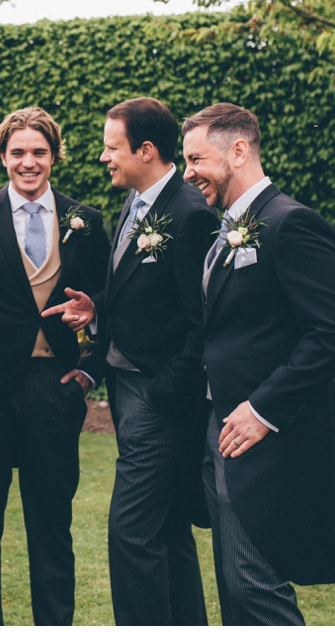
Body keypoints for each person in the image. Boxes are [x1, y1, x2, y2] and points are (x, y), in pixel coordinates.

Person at [181, 102, 335, 625]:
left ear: (238, 151)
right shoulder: (228, 228)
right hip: (220, 427)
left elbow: (334, 331)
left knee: (253, 583)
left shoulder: (291, 223)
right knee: (235, 590)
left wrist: (261, 410)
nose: (188, 174)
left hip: (266, 434)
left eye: (195, 160)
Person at [0, 107, 109, 625]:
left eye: (39, 152)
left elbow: (113, 302)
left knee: (52, 527)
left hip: (54, 389)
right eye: (18, 152)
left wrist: (91, 371)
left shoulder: (86, 222)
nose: (29, 162)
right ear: (2, 155)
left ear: (54, 156)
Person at [82, 97, 214, 624]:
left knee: (132, 532)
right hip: (128, 388)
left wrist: (164, 390)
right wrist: (98, 310)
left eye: (112, 148)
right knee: (167, 528)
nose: (103, 158)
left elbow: (203, 322)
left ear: (146, 150)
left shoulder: (190, 214)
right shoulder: (135, 206)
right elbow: (143, 296)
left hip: (157, 398)